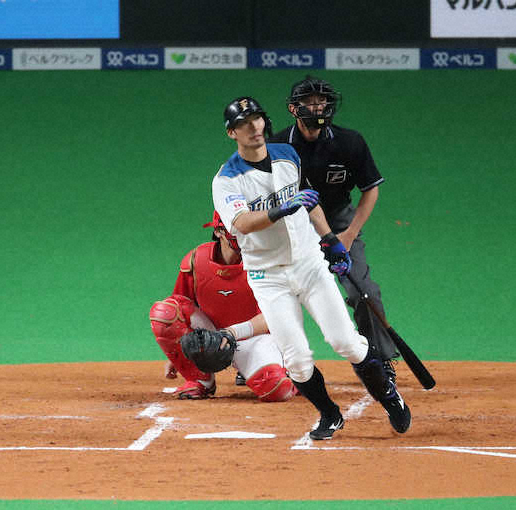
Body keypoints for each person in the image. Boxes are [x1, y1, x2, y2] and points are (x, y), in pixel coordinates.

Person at [211, 95, 411, 439]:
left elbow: (309, 201)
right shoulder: (227, 180)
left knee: (346, 341)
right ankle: (330, 414)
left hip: (309, 264)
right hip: (268, 277)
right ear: (232, 133)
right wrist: (282, 209)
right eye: (244, 123)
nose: (254, 127)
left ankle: (390, 398)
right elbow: (242, 223)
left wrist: (331, 240)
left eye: (257, 119)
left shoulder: (287, 155)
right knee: (297, 360)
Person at [269, 76, 397, 382]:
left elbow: (371, 189)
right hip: (292, 223)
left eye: (322, 100)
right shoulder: (277, 146)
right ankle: (266, 360)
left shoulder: (349, 142)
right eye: (309, 102)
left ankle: (379, 360)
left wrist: (349, 234)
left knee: (364, 291)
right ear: (293, 108)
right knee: (272, 289)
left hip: (340, 220)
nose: (318, 107)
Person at [150, 211, 297, 402]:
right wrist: (179, 355)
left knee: (277, 389)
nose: (244, 232)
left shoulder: (266, 261)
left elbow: (272, 318)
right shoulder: (196, 259)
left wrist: (231, 333)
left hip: (255, 338)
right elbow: (179, 307)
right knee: (164, 312)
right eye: (238, 228)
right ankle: (200, 381)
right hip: (213, 336)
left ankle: (288, 370)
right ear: (218, 231)